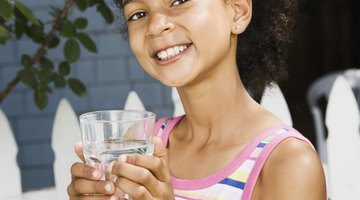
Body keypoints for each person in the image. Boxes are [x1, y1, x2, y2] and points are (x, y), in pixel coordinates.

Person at [67, 0, 327, 199]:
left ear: (237, 11)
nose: (156, 25)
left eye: (179, 1)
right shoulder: (143, 147)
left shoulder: (287, 163)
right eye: (139, 14)